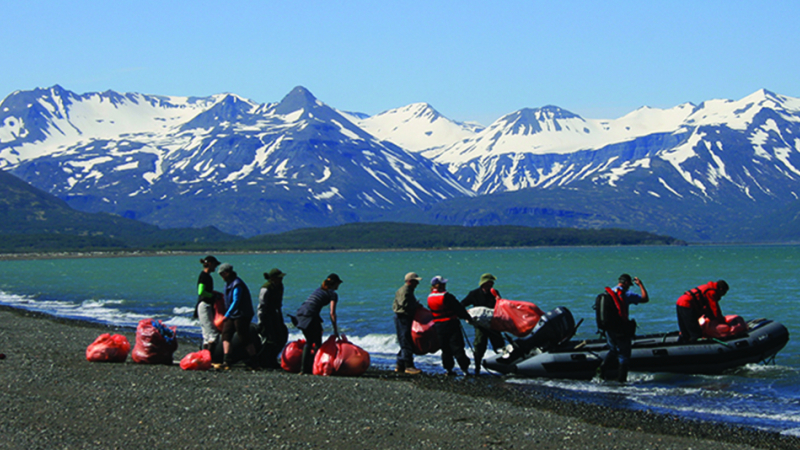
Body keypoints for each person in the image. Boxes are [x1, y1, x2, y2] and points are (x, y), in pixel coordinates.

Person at [598, 274, 649, 382]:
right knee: (624, 356)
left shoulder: (609, 293)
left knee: (613, 350)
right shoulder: (626, 294)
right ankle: (621, 381)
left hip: (609, 328)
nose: (629, 287)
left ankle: (601, 370)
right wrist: (641, 285)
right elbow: (645, 299)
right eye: (629, 284)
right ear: (626, 283)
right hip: (621, 329)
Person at [295, 273, 342, 374]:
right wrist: (335, 330)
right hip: (309, 316)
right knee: (316, 342)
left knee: (309, 341)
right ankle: (315, 367)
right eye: (338, 284)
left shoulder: (319, 290)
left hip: (300, 314)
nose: (338, 286)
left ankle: (304, 370)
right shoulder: (332, 294)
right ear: (335, 284)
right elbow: (332, 313)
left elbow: (312, 305)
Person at [427, 275, 473, 376]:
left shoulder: (429, 297)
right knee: (457, 347)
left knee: (445, 349)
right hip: (451, 324)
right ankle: (465, 369)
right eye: (443, 284)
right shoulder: (446, 296)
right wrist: (468, 317)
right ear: (439, 285)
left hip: (438, 325)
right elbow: (458, 308)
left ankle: (448, 369)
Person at [461, 273, 506, 375]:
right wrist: (466, 316)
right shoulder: (474, 294)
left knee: (499, 346)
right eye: (488, 283)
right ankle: (477, 368)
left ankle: (504, 367)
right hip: (481, 326)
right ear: (483, 283)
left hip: (494, 324)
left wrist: (499, 300)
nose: (490, 285)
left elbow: (501, 307)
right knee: (479, 345)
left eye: (491, 283)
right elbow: (462, 304)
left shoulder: (494, 293)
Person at [216, 263, 258, 370]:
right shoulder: (228, 283)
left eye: (222, 274)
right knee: (226, 335)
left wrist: (227, 314)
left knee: (244, 337)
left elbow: (236, 301)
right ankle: (227, 360)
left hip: (242, 314)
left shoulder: (237, 284)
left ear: (227, 273)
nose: (222, 276)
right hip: (232, 314)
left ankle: (254, 361)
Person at [257, 268, 289, 369]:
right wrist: (261, 321)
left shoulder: (280, 287)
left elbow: (279, 304)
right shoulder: (266, 288)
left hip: (275, 314)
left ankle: (272, 359)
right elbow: (261, 305)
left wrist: (280, 318)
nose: (281, 280)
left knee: (280, 336)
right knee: (269, 338)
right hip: (266, 315)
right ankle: (265, 361)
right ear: (273, 278)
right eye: (279, 278)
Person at [393, 272, 423, 375]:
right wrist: (415, 306)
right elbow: (403, 304)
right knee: (406, 341)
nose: (417, 284)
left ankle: (400, 365)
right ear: (410, 281)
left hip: (404, 317)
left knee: (405, 340)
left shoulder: (407, 290)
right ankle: (408, 366)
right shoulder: (405, 290)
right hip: (403, 318)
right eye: (416, 281)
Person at [195, 255, 221, 350]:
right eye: (214, 265)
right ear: (209, 264)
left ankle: (205, 357)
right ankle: (210, 357)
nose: (215, 267)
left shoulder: (206, 276)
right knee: (213, 333)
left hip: (203, 305)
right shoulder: (204, 276)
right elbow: (201, 291)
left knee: (206, 334)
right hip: (204, 305)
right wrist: (212, 295)